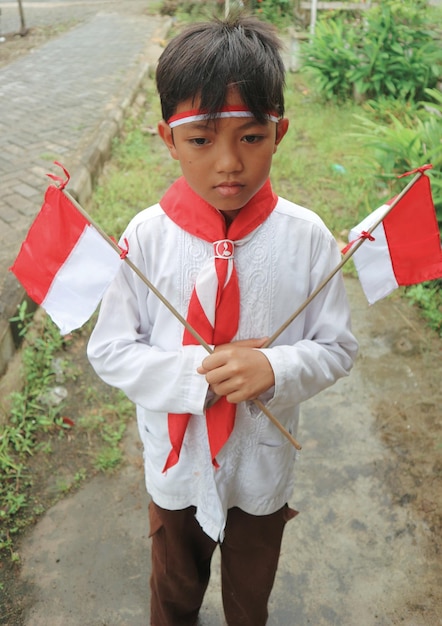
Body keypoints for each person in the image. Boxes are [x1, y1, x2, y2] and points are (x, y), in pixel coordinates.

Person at [87, 13, 358, 626]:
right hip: (176, 464)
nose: (229, 163)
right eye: (202, 140)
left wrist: (276, 364)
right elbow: (110, 350)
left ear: (279, 132)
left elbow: (337, 347)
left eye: (251, 137)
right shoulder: (146, 238)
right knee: (174, 591)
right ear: (167, 139)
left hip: (261, 464)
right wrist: (193, 377)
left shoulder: (308, 239)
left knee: (249, 597)